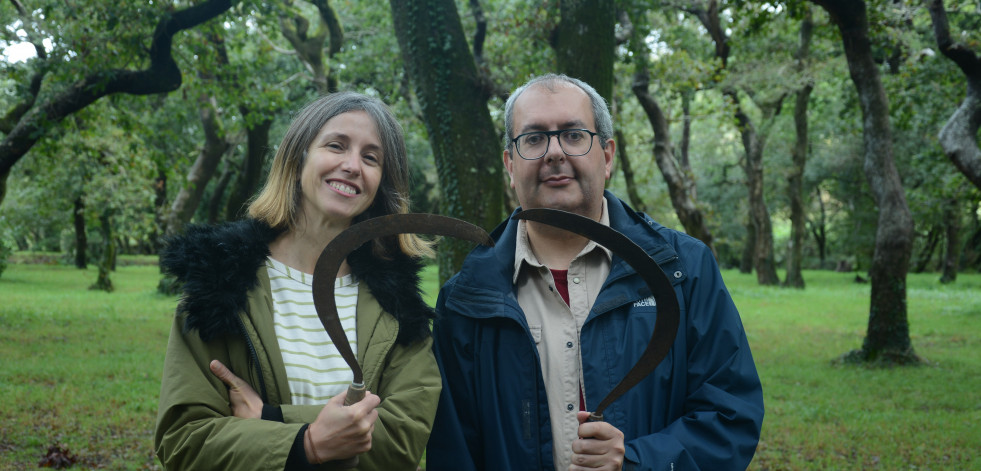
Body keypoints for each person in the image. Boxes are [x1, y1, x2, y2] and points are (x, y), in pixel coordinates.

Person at [426, 74, 764, 470]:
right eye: (533, 139)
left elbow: (730, 415)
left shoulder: (682, 269)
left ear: (606, 156)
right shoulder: (468, 297)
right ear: (510, 165)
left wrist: (636, 461)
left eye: (573, 135)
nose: (554, 152)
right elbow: (454, 450)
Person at [154, 92, 441, 470]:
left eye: (371, 158)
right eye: (336, 145)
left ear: (380, 183)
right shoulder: (221, 284)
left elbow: (403, 438)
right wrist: (307, 445)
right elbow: (184, 440)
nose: (353, 165)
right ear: (298, 156)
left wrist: (273, 420)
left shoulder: (400, 304)